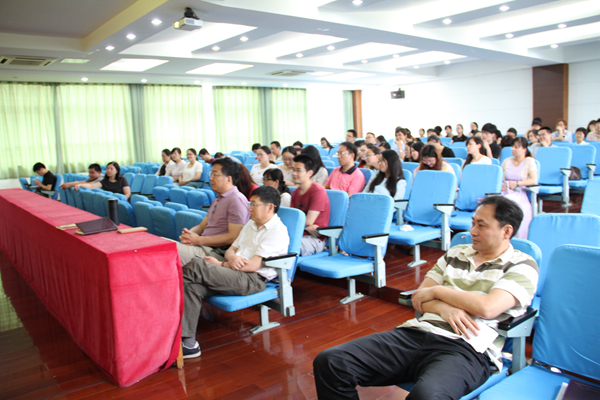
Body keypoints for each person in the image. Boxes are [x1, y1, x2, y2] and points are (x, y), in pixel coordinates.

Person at [314, 196, 539, 400]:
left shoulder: (523, 265)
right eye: (473, 223)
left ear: (506, 231)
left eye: (481, 225)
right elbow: (420, 297)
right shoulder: (455, 253)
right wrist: (444, 309)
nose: (472, 231)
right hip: (417, 332)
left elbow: (487, 308)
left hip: (468, 349)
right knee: (331, 362)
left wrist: (438, 292)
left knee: (427, 397)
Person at [180, 186, 289, 358]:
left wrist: (221, 264)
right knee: (192, 286)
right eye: (249, 204)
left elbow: (253, 266)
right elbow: (231, 250)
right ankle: (188, 344)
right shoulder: (251, 224)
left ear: (270, 207)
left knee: (197, 265)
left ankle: (163, 325)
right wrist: (229, 259)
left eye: (254, 204)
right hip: (235, 272)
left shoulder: (277, 231)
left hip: (252, 279)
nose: (249, 208)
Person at [176, 158, 250, 265]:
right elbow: (202, 226)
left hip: (215, 253)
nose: (210, 178)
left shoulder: (236, 200)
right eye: (211, 174)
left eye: (215, 175)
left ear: (228, 179)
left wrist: (198, 240)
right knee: (161, 244)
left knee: (163, 249)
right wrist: (190, 235)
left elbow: (233, 236)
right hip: (203, 246)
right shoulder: (218, 198)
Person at [291, 154, 330, 256]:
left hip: (314, 239)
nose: (294, 173)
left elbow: (308, 221)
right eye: (293, 170)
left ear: (310, 173)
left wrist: (306, 226)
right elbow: (293, 220)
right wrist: (307, 226)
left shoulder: (318, 191)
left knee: (282, 248)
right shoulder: (295, 192)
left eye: (298, 170)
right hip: (298, 235)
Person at [501, 137, 537, 239]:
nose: (513, 149)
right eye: (512, 146)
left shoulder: (529, 161)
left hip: (519, 192)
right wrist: (501, 184)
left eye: (517, 147)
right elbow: (500, 178)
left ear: (525, 149)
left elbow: (533, 180)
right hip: (505, 191)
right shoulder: (507, 161)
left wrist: (517, 183)